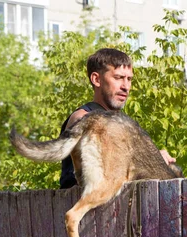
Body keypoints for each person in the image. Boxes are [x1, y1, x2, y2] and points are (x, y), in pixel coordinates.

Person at [59, 48, 176, 189]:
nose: (126, 86)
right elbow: (101, 176)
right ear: (96, 79)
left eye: (129, 79)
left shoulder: (122, 123)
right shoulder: (82, 118)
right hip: (82, 207)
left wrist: (155, 159)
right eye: (118, 78)